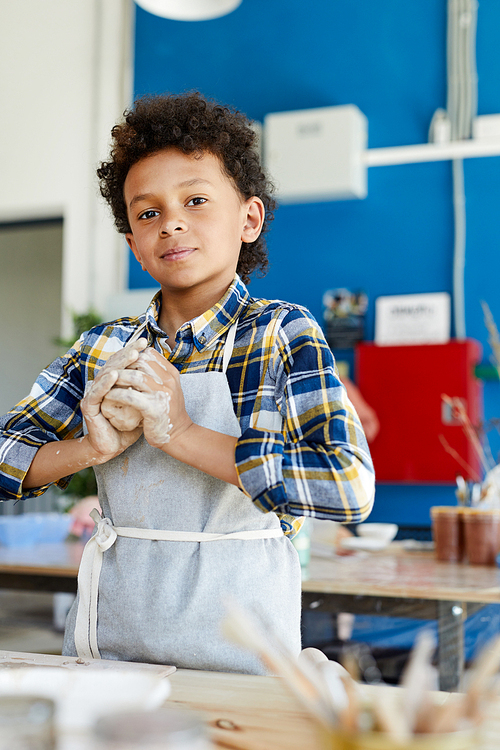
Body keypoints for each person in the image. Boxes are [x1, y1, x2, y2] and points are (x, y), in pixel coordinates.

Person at [0, 92, 375, 673]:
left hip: (243, 657)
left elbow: (347, 486)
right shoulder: (104, 348)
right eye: (147, 213)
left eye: (196, 200)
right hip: (110, 651)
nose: (171, 222)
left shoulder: (280, 332)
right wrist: (89, 449)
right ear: (135, 247)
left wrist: (180, 432)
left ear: (249, 219)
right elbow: (5, 456)